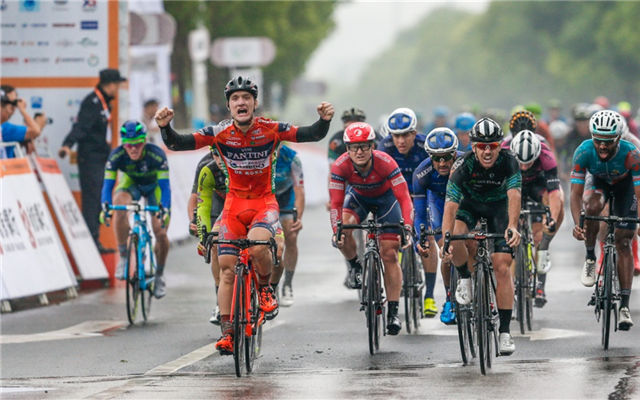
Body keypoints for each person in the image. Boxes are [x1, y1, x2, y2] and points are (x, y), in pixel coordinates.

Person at [155, 75, 334, 354]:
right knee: (227, 267)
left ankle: (265, 289)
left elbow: (310, 134)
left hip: (264, 203)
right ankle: (228, 332)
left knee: (258, 246)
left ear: (254, 103)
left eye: (246, 98)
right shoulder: (219, 132)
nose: (241, 102)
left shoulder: (270, 129)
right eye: (236, 98)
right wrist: (165, 127)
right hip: (233, 206)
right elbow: (179, 143)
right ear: (229, 105)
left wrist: (323, 120)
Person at [440, 117, 522, 355]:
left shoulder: (509, 161)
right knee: (456, 238)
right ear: (473, 146)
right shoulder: (462, 165)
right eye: (482, 146)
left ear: (500, 146)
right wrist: (446, 238)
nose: (487, 151)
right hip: (470, 206)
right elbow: (450, 204)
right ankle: (465, 277)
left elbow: (514, 194)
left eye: (493, 146)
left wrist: (513, 225)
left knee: (502, 266)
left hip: (499, 209)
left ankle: (504, 332)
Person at [330, 121, 413, 335]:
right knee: (343, 229)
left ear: (372, 146)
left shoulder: (386, 162)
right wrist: (336, 232)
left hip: (386, 201)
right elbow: (336, 203)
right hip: (358, 199)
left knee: (389, 254)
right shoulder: (340, 166)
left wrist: (407, 227)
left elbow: (404, 197)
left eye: (364, 146)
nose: (359, 152)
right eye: (354, 147)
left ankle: (393, 311)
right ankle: (355, 267)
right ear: (347, 149)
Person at [570, 110, 640, 331]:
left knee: (624, 242)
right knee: (591, 208)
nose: (602, 146)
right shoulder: (583, 151)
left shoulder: (632, 154)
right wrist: (578, 224)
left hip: (625, 186)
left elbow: (639, 195)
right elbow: (575, 195)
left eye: (608, 141)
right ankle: (591, 257)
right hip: (598, 182)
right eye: (598, 140)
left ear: (618, 138)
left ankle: (624, 306)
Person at [99, 120, 171, 298]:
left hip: (154, 187)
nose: (133, 149)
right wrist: (105, 207)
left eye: (137, 144)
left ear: (144, 141)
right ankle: (124, 256)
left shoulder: (157, 155)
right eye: (128, 145)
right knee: (119, 204)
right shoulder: (116, 156)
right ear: (123, 144)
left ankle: (159, 274)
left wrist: (165, 209)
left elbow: (165, 188)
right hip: (131, 185)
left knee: (160, 232)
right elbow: (107, 186)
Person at [58, 68, 127, 253]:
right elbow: (81, 126)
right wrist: (67, 144)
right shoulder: (92, 102)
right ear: (109, 84)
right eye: (117, 85)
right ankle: (91, 244)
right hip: (90, 159)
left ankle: (95, 240)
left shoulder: (105, 103)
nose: (118, 88)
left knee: (99, 199)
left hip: (101, 158)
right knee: (92, 199)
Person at [378, 108, 438, 316]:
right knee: (392, 236)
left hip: (423, 194)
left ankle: (429, 296)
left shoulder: (425, 146)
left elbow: (436, 178)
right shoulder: (384, 147)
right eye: (396, 136)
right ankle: (400, 260)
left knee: (427, 239)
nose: (401, 141)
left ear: (414, 133)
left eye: (405, 135)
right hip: (396, 196)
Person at [505, 130, 564, 307]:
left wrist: (552, 218)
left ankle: (540, 283)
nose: (524, 167)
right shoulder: (505, 153)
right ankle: (512, 286)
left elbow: (554, 192)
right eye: (520, 163)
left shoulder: (546, 156)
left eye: (528, 162)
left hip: (537, 187)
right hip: (514, 186)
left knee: (539, 236)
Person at [413, 128, 463, 324]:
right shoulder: (422, 173)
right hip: (439, 205)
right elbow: (420, 214)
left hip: (464, 202)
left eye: (446, 157)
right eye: (436, 158)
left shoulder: (466, 164)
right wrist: (421, 239)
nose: (442, 163)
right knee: (447, 251)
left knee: (474, 244)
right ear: (430, 157)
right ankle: (450, 299)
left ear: (454, 154)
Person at [273, 144, 305, 307]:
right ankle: (271, 285)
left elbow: (299, 190)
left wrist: (297, 218)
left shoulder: (292, 158)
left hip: (287, 198)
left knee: (291, 236)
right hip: (267, 198)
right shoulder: (258, 154)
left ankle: (287, 284)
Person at [1, 85, 41, 158]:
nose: (13, 108)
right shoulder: (5, 128)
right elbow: (36, 130)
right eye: (13, 103)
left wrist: (27, 140)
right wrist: (22, 109)